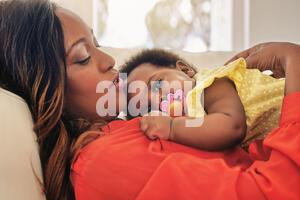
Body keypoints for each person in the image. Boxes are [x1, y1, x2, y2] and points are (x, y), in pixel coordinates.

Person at [0, 0, 299, 200]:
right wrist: (294, 63)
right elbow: (282, 197)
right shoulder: (102, 164)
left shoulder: (128, 131)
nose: (109, 61)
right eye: (83, 58)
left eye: (97, 44)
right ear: (48, 91)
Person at [119, 49, 284, 151]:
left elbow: (232, 127)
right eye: (149, 107)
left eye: (157, 84)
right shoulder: (193, 124)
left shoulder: (208, 85)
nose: (158, 99)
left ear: (185, 70)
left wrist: (171, 127)